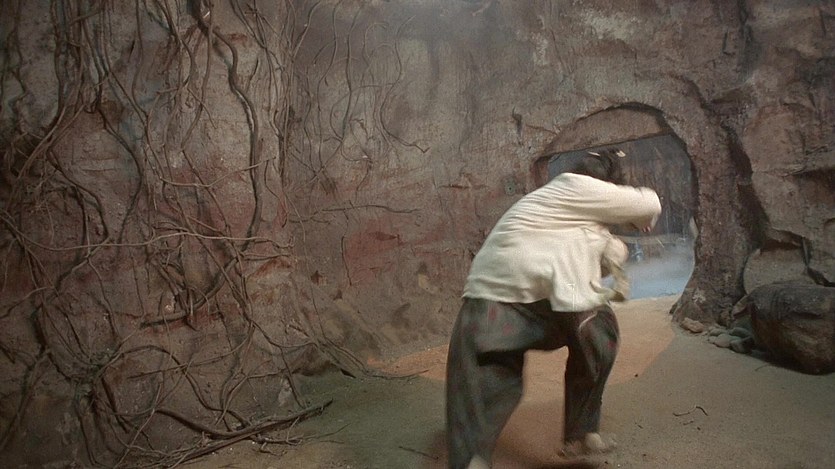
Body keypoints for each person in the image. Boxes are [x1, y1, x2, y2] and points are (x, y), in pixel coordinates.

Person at [445, 148, 661, 469]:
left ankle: (577, 437)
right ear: (602, 186)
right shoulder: (574, 186)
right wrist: (637, 218)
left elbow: (602, 260)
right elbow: (649, 203)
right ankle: (574, 435)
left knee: (593, 333)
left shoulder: (557, 212)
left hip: (492, 304)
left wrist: (611, 244)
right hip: (502, 303)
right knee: (595, 333)